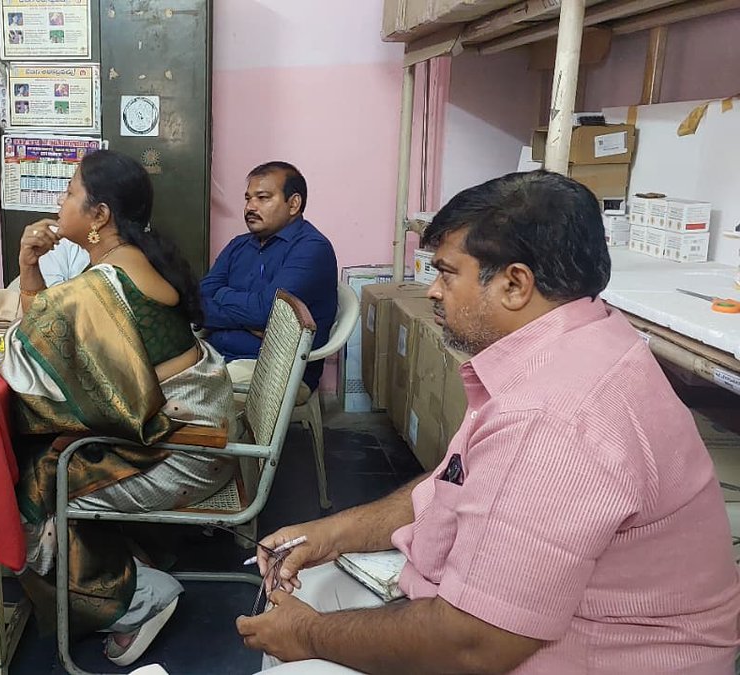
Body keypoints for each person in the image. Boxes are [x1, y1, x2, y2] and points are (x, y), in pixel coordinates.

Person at [235, 171, 740, 674]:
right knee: (310, 587)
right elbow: (451, 486)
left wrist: (307, 636)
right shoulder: (580, 338)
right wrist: (330, 535)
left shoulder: (551, 420)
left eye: (447, 273)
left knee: (295, 655)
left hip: (591, 656)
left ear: (515, 284)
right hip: (501, 625)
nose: (433, 291)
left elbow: (471, 645)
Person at [0, 149, 235, 668]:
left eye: (69, 193)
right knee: (45, 456)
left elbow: (27, 355)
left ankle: (139, 597)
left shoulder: (99, 285)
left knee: (21, 491)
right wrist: (28, 265)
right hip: (187, 429)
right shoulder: (130, 260)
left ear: (99, 214)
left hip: (182, 451)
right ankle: (127, 563)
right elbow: (47, 330)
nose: (59, 204)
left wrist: (27, 270)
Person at [200, 161, 337, 390]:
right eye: (247, 198)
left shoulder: (311, 248)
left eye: (262, 198)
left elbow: (268, 313)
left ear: (293, 204)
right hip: (216, 354)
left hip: (276, 367)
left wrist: (222, 295)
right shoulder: (239, 245)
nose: (250, 207)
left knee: (188, 390)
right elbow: (198, 302)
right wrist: (250, 319)